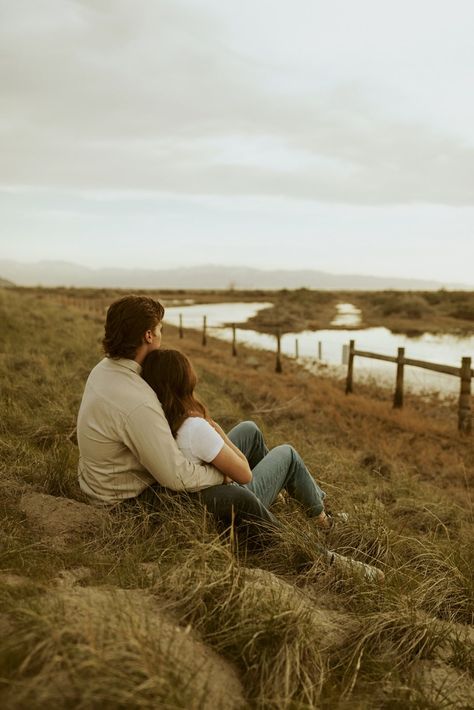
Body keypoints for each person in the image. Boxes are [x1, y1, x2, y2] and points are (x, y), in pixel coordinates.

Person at [77, 294, 384, 582]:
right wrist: (223, 475)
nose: (161, 335)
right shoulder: (137, 400)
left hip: (124, 482)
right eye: (159, 329)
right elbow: (175, 477)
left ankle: (304, 507)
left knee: (248, 431)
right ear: (148, 336)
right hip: (132, 502)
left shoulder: (106, 370)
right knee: (239, 495)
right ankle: (318, 559)